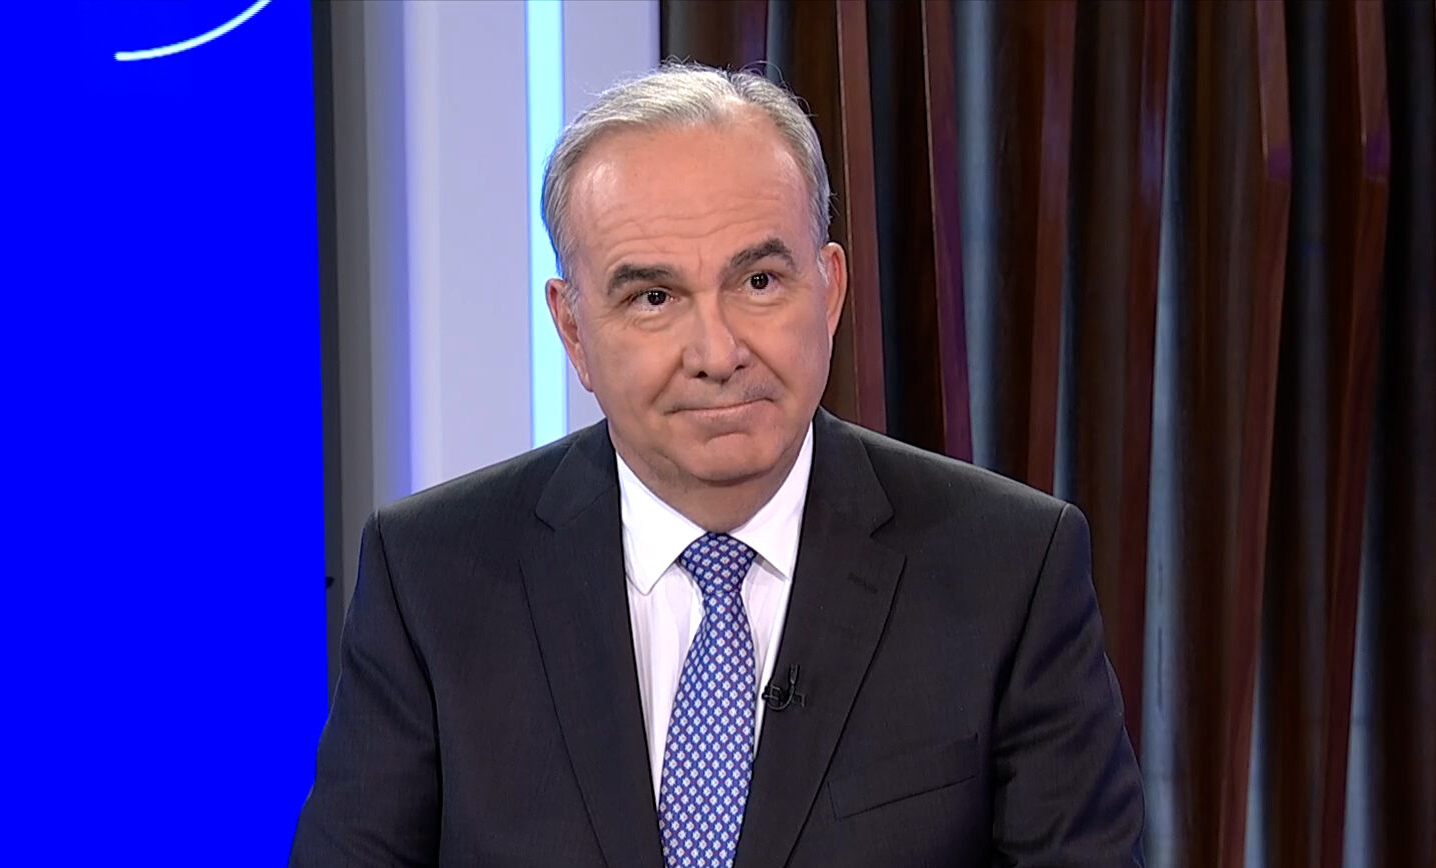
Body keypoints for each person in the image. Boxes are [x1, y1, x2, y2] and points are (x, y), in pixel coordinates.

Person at [291, 62, 1144, 867]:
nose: (717, 352)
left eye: (759, 282)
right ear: (573, 330)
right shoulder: (432, 578)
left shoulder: (1008, 570)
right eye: (653, 297)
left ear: (829, 290)